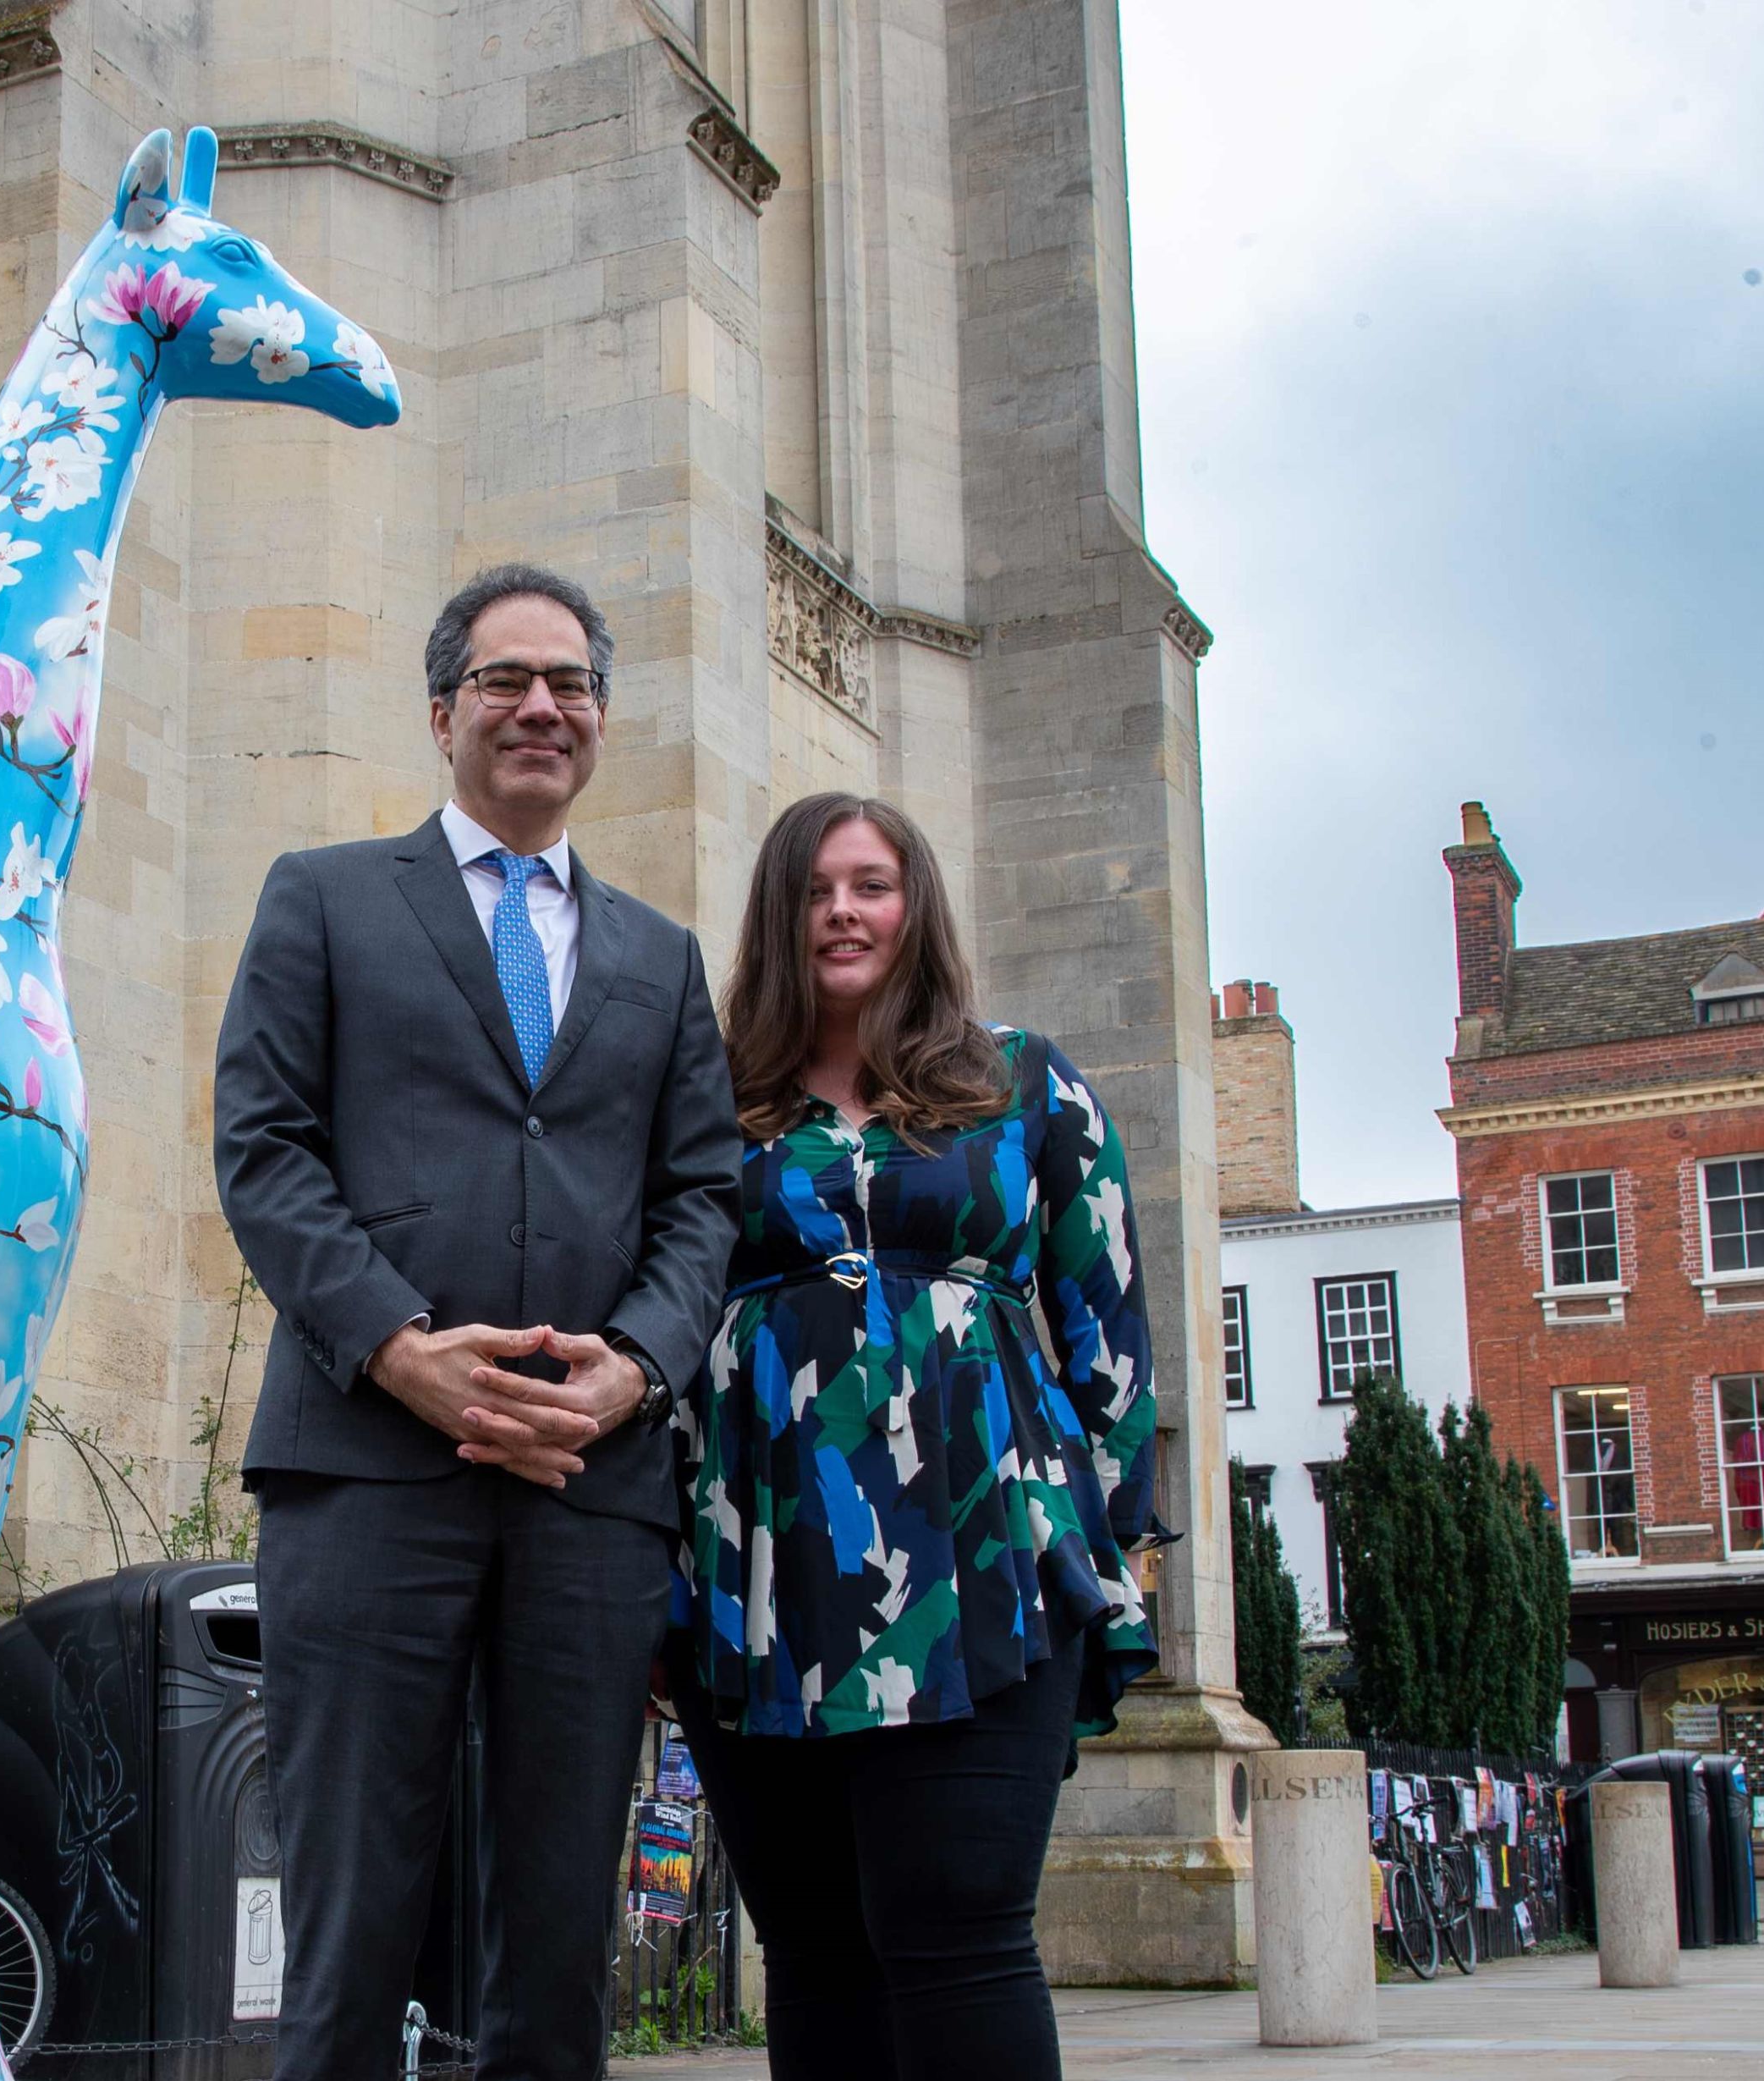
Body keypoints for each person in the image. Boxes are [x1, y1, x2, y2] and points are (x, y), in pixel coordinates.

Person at [215, 564, 739, 2080]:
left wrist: (635, 1368)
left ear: (596, 723)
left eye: (570, 683)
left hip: (589, 1492)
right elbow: (263, 1144)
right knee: (350, 1925)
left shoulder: (660, 957)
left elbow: (702, 1194)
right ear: (444, 711)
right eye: (507, 679)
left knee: (562, 1937)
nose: (541, 705)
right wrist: (396, 1345)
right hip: (369, 1473)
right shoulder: (320, 896)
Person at [667, 792, 1164, 2081]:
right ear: (778, 918)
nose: (843, 908)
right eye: (815, 888)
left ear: (915, 904)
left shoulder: (1025, 1082)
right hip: (763, 1575)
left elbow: (1107, 1326)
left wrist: (1111, 1543)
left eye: (871, 883)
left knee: (959, 1924)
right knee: (817, 1946)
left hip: (992, 1557)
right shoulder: (706, 1099)